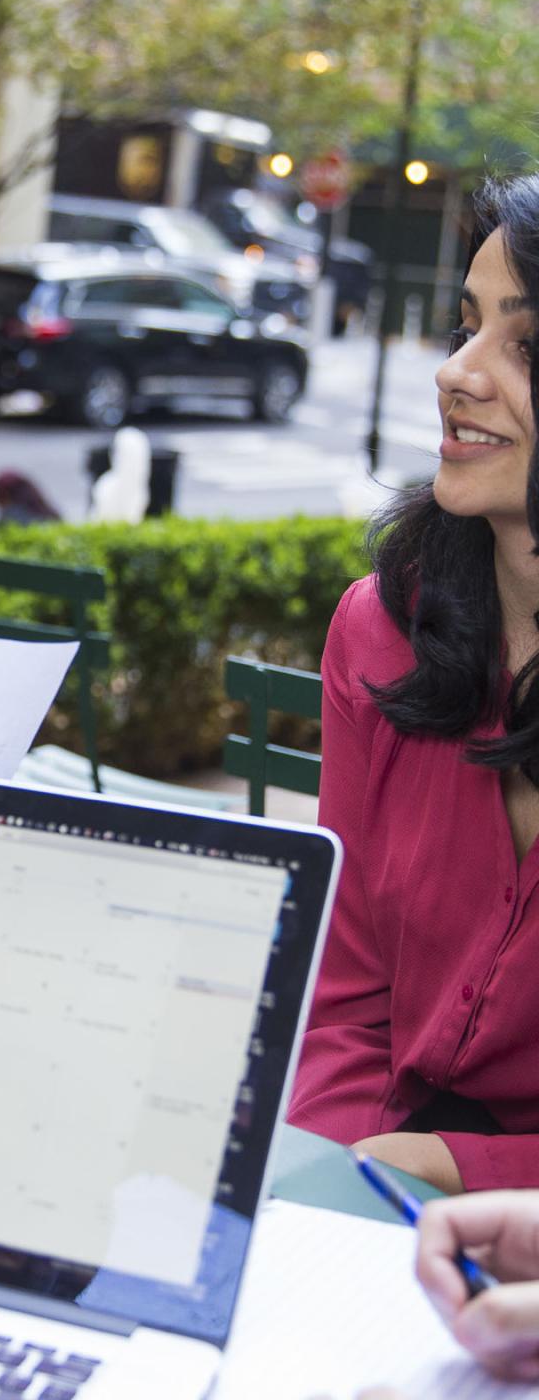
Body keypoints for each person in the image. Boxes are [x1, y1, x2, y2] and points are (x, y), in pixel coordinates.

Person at [287, 175, 539, 1195]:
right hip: (378, 1168)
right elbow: (343, 995)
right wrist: (326, 1191)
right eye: (462, 326)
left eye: (525, 347)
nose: (456, 372)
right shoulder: (383, 625)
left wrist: (456, 1168)